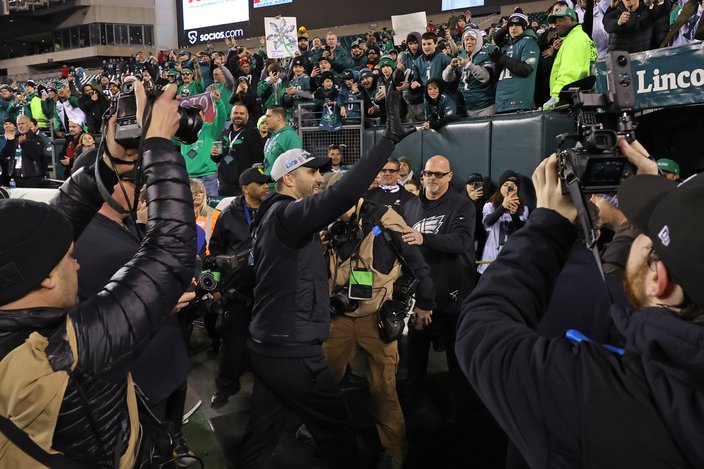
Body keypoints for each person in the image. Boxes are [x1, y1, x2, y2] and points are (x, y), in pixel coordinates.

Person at [454, 141, 704, 468]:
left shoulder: (599, 395)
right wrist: (654, 190)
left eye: (650, 237)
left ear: (660, 281)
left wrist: (545, 224)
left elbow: (480, 332)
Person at [0, 80, 195, 467]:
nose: (76, 263)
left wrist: (112, 160)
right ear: (44, 279)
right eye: (69, 257)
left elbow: (49, 229)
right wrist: (158, 145)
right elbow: (171, 251)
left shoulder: (14, 316)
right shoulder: (66, 355)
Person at [236, 87, 415, 469]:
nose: (319, 177)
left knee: (262, 434)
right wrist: (388, 141)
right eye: (311, 171)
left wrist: (325, 304)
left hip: (269, 346)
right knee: (337, 434)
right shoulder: (287, 214)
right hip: (293, 351)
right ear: (287, 180)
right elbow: (343, 194)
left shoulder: (271, 219)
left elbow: (281, 277)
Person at [323, 200, 436, 469]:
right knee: (324, 380)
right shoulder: (326, 223)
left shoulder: (383, 218)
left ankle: (394, 449)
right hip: (338, 316)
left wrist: (425, 303)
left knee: (383, 388)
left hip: (377, 317)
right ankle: (318, 426)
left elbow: (417, 263)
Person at [208, 167, 271, 409]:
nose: (266, 187)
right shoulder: (228, 216)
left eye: (267, 183)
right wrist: (215, 288)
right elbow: (213, 254)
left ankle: (265, 389)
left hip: (266, 293)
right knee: (232, 345)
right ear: (245, 188)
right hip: (236, 294)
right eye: (260, 183)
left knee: (266, 344)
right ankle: (226, 386)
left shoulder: (272, 211)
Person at [542, 6, 597, 110]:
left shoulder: (575, 39)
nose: (557, 24)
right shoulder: (578, 37)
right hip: (578, 96)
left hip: (568, 98)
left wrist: (556, 96)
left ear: (572, 20)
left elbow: (570, 71)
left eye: (561, 20)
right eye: (555, 21)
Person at [477, 170, 530, 274]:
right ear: (500, 188)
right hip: (490, 262)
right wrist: (502, 207)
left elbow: (522, 233)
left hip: (512, 262)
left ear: (517, 189)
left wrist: (514, 215)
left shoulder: (524, 209)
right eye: (505, 185)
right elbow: (487, 223)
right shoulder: (490, 205)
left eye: (512, 185)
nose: (509, 187)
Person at [178, 88, 226, 196]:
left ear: (204, 117)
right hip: (190, 177)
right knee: (192, 209)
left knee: (212, 208)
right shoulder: (182, 131)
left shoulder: (211, 129)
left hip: (208, 176)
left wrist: (218, 102)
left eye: (199, 115)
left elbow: (222, 118)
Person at [492, 10, 540, 113]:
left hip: (519, 101)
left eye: (517, 25)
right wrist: (497, 63)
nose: (513, 28)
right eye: (511, 25)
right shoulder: (505, 46)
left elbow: (525, 69)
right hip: (501, 102)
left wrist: (502, 59)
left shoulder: (529, 42)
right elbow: (496, 76)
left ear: (524, 27)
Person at [443, 28, 498, 117]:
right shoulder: (462, 56)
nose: (469, 42)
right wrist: (451, 67)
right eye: (467, 39)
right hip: (468, 107)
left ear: (479, 41)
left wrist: (468, 65)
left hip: (485, 106)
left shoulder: (484, 55)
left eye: (472, 39)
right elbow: (446, 78)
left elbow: (485, 77)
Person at [212, 103, 264, 196]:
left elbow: (259, 158)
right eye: (235, 113)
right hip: (224, 185)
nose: (238, 116)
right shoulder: (224, 133)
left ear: (247, 116)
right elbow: (218, 158)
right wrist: (213, 155)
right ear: (231, 115)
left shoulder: (253, 133)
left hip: (243, 186)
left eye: (241, 113)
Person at [603, 0, 671, 53]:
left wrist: (661, 1)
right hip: (619, 61)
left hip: (642, 60)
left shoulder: (648, 11)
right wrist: (618, 22)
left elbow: (663, 11)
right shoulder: (615, 12)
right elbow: (608, 26)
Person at [0, 115, 47, 188]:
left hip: (31, 177)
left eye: (23, 123)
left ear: (29, 124)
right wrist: (10, 140)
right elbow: (5, 154)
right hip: (14, 177)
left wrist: (23, 143)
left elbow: (33, 155)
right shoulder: (14, 138)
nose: (20, 126)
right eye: (18, 124)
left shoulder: (37, 138)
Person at [262, 106, 302, 175]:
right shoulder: (272, 137)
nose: (265, 120)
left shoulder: (290, 136)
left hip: (281, 183)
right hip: (269, 183)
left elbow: (296, 162)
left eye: (268, 116)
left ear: (278, 117)